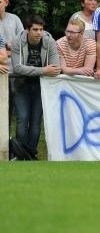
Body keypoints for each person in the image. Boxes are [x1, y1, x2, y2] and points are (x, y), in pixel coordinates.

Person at [11, 15, 60, 158]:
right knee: (22, 118)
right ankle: (20, 154)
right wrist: (43, 70)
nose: (39, 33)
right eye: (35, 30)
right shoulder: (17, 42)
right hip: (21, 86)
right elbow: (17, 68)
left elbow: (55, 68)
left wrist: (36, 71)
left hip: (41, 87)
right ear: (27, 30)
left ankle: (30, 154)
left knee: (35, 120)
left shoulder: (49, 41)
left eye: (41, 29)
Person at [0, 0, 24, 69]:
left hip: (16, 63)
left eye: (0, 2)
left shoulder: (14, 18)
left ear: (6, 3)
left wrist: (12, 50)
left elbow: (23, 40)